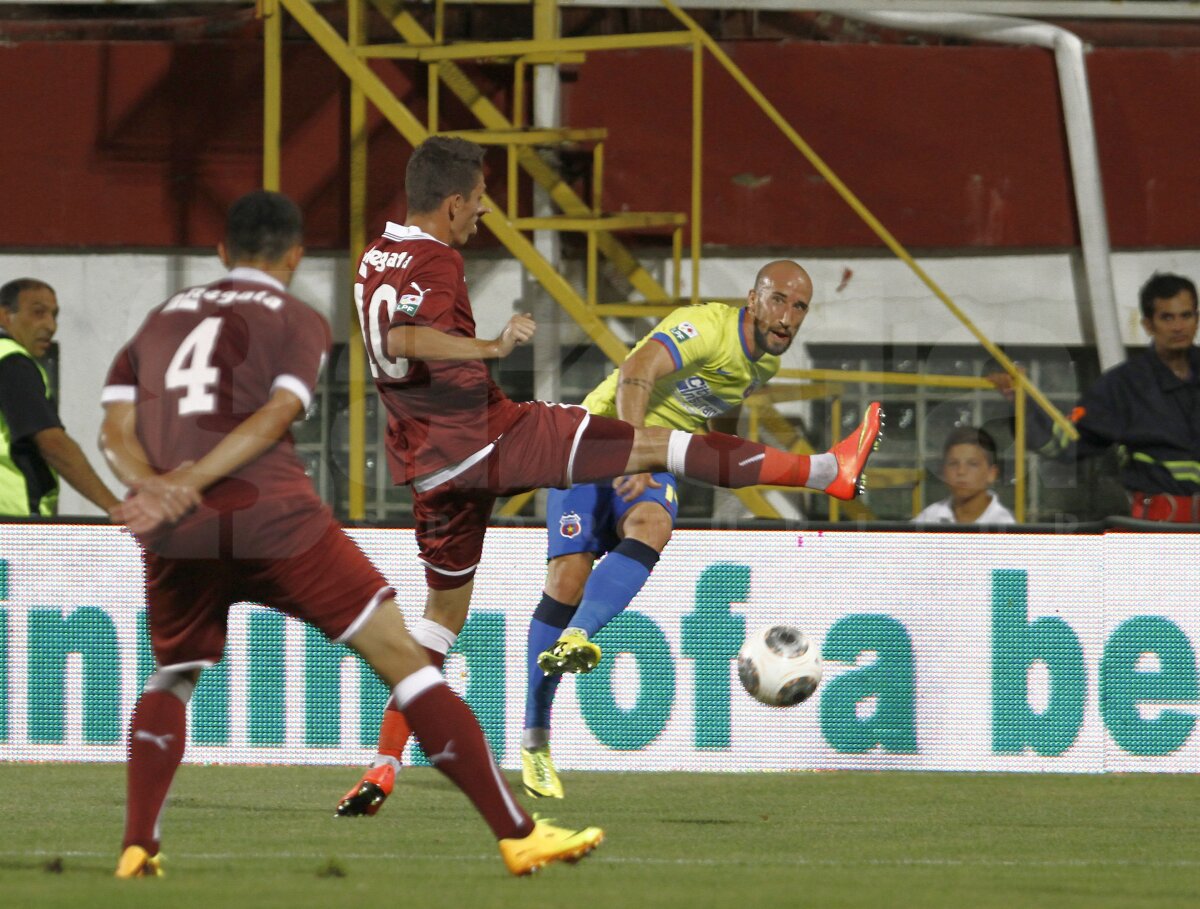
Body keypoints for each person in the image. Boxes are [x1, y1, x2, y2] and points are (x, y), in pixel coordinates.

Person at [336, 135, 882, 817]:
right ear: (451, 205)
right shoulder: (440, 264)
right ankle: (828, 470)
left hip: (427, 468)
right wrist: (491, 345)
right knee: (651, 455)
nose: (485, 209)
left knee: (441, 622)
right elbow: (406, 338)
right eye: (478, 198)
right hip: (487, 437)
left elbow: (388, 337)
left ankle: (383, 764)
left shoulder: (372, 261)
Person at [99, 189, 603, 879]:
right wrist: (201, 476)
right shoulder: (296, 317)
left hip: (177, 533)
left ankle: (138, 843)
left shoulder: (158, 321)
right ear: (296, 256)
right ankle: (517, 832)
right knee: (403, 657)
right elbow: (276, 414)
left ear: (222, 253)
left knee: (174, 674)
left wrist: (157, 485)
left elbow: (113, 433)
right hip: (273, 518)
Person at [517, 260, 814, 799]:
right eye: (779, 301)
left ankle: (579, 636)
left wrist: (729, 466)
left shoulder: (760, 366)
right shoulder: (705, 326)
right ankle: (535, 739)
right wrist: (637, 458)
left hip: (654, 461)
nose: (788, 317)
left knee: (654, 522)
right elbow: (636, 372)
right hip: (593, 442)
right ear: (753, 298)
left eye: (799, 308)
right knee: (565, 580)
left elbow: (721, 420)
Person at [990, 272, 1200, 523]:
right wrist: (1021, 399)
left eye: (1185, 315)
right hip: (1156, 528)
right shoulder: (1123, 386)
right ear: (1148, 325)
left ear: (1196, 319)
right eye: (1167, 317)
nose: (1178, 326)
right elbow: (1065, 442)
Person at [0, 278, 120, 517]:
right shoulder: (12, 361)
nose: (51, 326)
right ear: (4, 316)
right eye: (38, 313)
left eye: (54, 315)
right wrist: (115, 507)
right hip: (13, 527)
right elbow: (52, 443)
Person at [913, 425, 1015, 525]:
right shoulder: (929, 519)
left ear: (991, 474)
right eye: (953, 463)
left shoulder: (1004, 526)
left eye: (972, 464)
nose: (961, 471)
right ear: (943, 471)